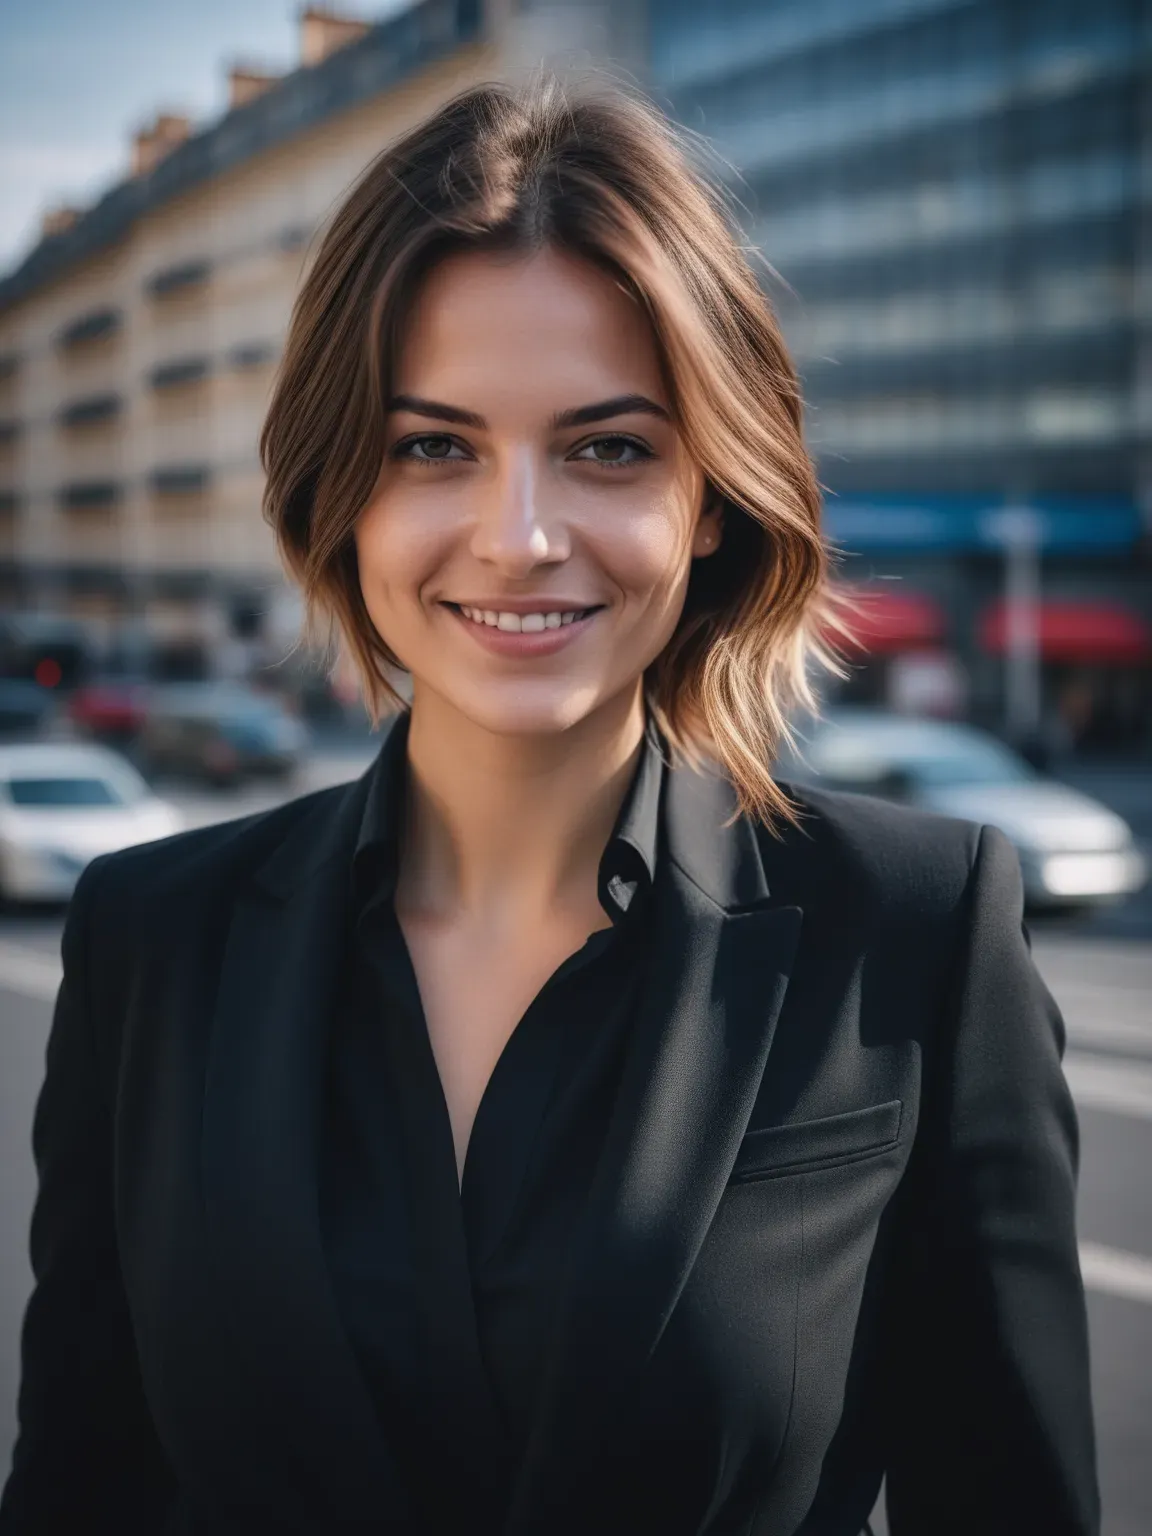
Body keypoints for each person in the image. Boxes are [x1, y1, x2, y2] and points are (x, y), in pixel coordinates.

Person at [0, 80, 1098, 1536]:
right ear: (345, 489)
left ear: (711, 495)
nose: (519, 538)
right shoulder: (154, 941)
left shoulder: (916, 931)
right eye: (433, 446)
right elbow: (80, 1491)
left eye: (609, 449)